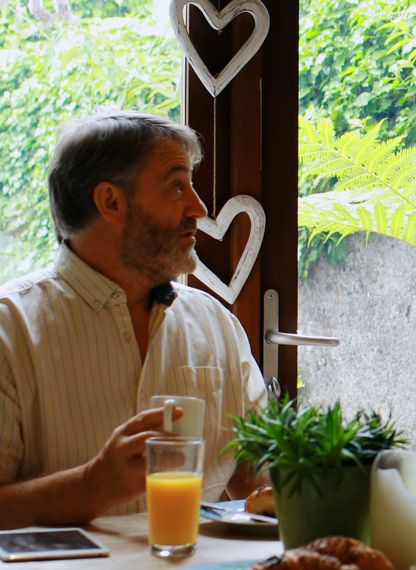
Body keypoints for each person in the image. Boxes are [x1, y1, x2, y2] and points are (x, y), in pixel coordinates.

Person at [0, 112, 267, 529]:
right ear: (110, 202)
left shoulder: (216, 323)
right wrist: (92, 485)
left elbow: (258, 481)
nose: (199, 208)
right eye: (177, 185)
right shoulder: (9, 330)